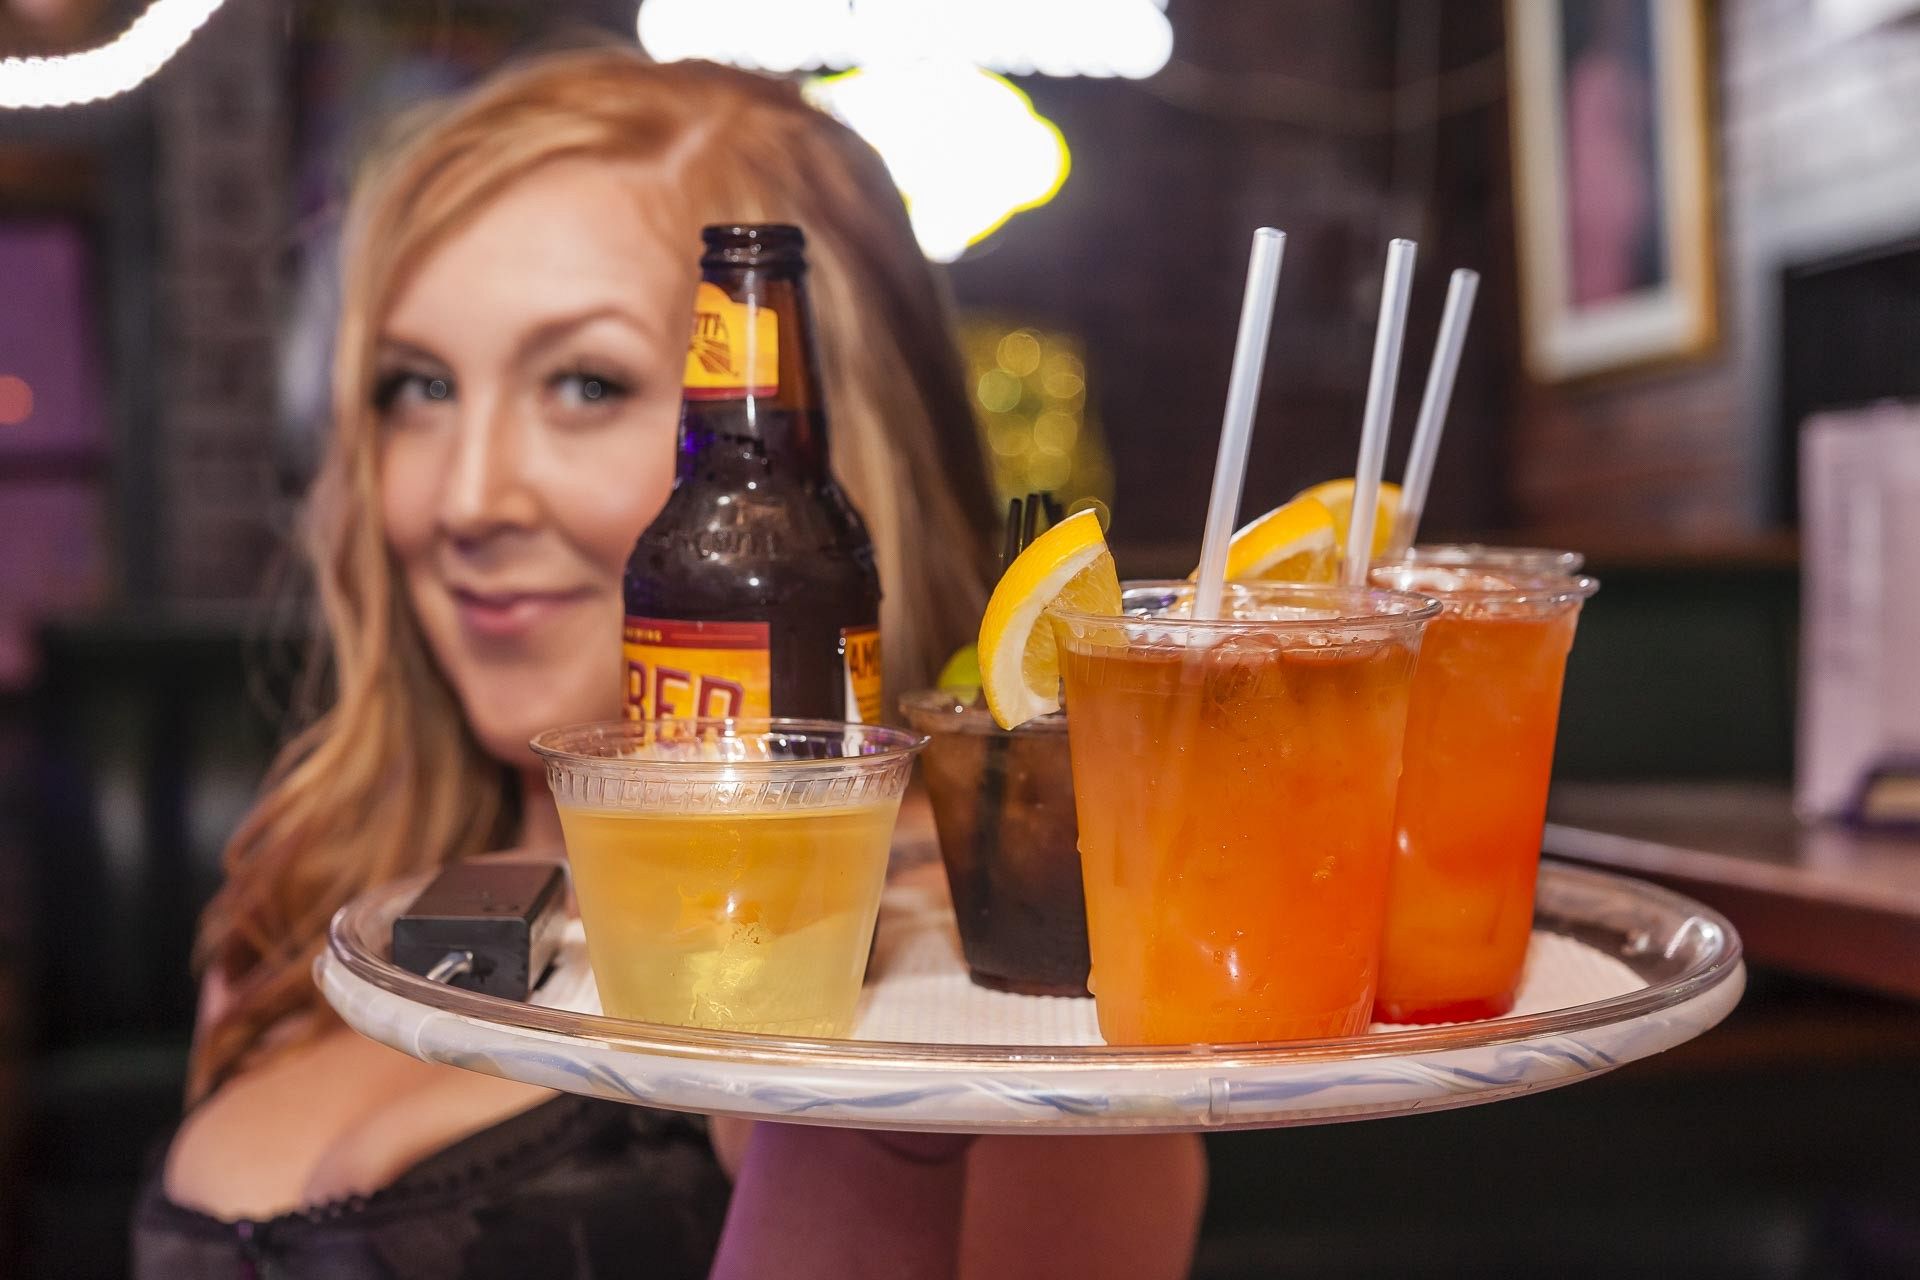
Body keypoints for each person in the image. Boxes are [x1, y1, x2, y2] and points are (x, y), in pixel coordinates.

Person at [133, 47, 1206, 1279]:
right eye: (417, 386)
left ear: (813, 426)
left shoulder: (990, 974)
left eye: (586, 383)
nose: (464, 496)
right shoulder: (315, 874)